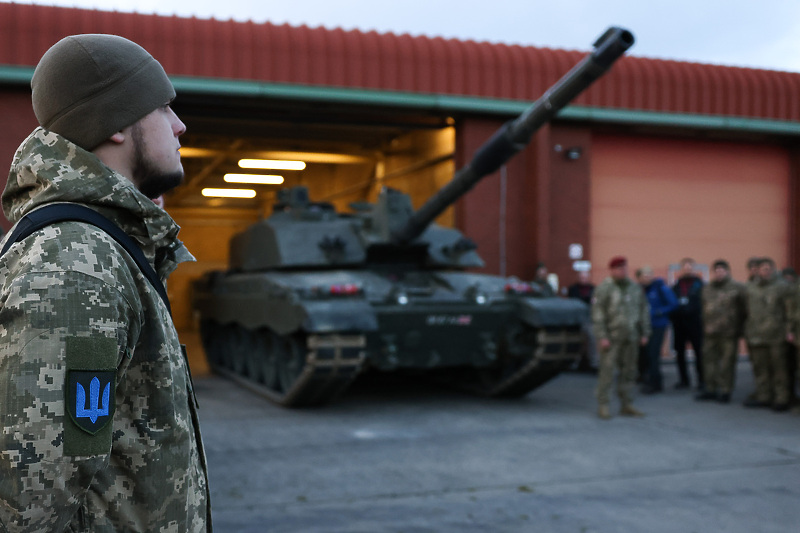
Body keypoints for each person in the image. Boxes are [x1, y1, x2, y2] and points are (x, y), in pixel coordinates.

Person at [0, 35, 210, 531]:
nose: (180, 126)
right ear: (116, 123)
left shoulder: (101, 246)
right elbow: (30, 500)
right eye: (163, 109)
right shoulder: (75, 263)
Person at [591, 256, 651, 419]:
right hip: (612, 338)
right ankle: (603, 405)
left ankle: (626, 404)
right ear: (612, 270)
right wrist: (602, 336)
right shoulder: (604, 288)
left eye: (624, 267)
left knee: (630, 372)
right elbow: (598, 314)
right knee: (607, 372)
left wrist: (645, 332)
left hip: (631, 337)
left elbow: (643, 310)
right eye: (618, 268)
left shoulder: (634, 287)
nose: (622, 270)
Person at [743, 257, 795, 411]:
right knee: (760, 368)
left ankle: (781, 398)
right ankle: (764, 396)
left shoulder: (783, 287)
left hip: (776, 335)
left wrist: (790, 330)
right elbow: (745, 310)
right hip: (756, 335)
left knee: (779, 369)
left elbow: (790, 311)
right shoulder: (750, 288)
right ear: (757, 270)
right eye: (762, 268)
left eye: (768, 268)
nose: (765, 271)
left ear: (773, 269)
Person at [698, 260, 747, 403]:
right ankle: (711, 389)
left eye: (722, 270)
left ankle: (726, 390)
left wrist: (739, 328)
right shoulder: (707, 288)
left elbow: (744, 309)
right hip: (710, 332)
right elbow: (703, 308)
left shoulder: (737, 288)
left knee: (727, 363)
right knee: (709, 362)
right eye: (717, 271)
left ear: (727, 271)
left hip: (729, 333)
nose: (719, 273)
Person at [637, 266, 678, 394]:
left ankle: (656, 383)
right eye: (644, 275)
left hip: (658, 325)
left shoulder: (661, 288)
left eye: (649, 275)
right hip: (644, 327)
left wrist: (660, 312)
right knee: (645, 353)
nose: (647, 277)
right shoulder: (640, 290)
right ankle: (646, 377)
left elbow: (673, 304)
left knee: (653, 354)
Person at [670, 257, 705, 391]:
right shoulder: (676, 285)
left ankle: (702, 380)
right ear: (681, 269)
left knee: (699, 353)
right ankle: (684, 380)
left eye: (690, 267)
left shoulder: (700, 285)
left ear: (694, 269)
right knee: (680, 353)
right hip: (679, 324)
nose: (687, 270)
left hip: (695, 323)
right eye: (685, 267)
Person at [567, 270, 597, 371]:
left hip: (589, 319)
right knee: (575, 341)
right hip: (576, 320)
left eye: (585, 277)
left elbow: (594, 302)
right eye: (581, 277)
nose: (583, 279)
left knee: (593, 340)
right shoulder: (573, 289)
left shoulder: (593, 289)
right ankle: (573, 363)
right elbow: (573, 301)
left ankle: (594, 363)